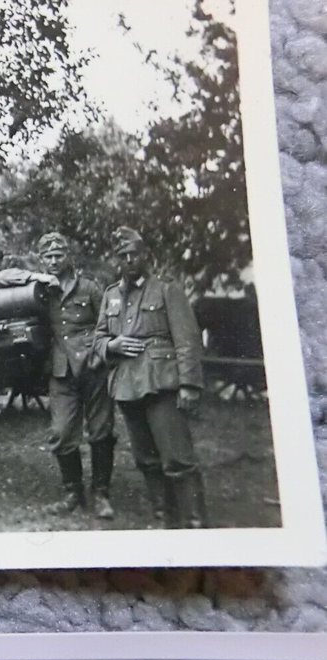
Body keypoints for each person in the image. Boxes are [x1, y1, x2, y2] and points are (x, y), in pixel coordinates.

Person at [92, 226, 207, 528]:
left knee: (177, 457)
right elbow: (99, 337)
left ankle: (196, 523)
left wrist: (189, 384)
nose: (128, 260)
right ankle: (163, 517)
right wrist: (111, 345)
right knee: (146, 459)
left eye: (133, 254)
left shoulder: (166, 289)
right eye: (122, 256)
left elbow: (187, 339)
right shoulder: (110, 295)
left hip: (162, 383)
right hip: (127, 385)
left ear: (146, 256)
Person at [0, 232, 115, 519]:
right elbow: (1, 278)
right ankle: (72, 493)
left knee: (101, 431)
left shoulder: (90, 288)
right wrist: (33, 276)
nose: (52, 261)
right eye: (47, 257)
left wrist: (98, 355)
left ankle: (101, 494)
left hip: (93, 368)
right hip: (61, 371)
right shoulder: (41, 288)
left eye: (57, 256)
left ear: (68, 257)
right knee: (61, 433)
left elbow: (107, 326)